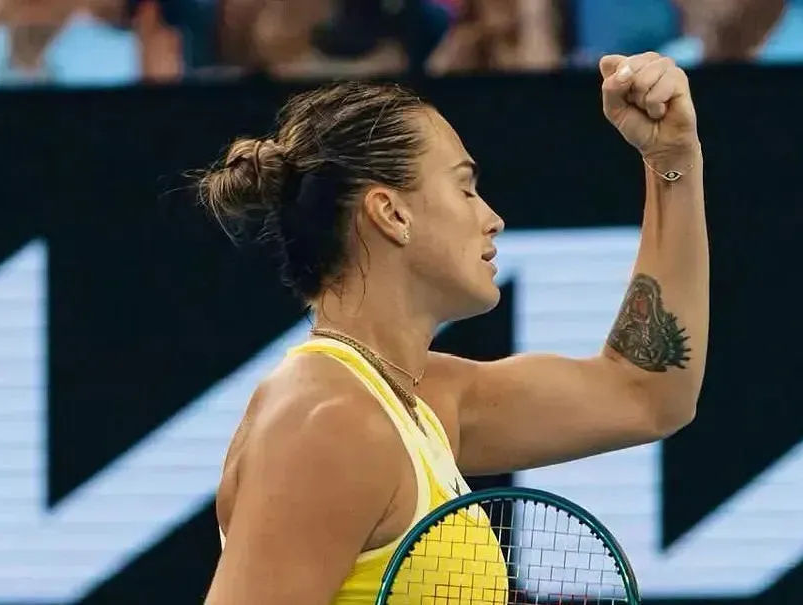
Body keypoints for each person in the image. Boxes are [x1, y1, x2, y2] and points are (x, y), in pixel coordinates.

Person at [200, 52, 708, 604]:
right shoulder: (330, 422)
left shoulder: (420, 398)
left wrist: (672, 160)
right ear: (391, 213)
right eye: (464, 188)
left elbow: (647, 393)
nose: (492, 218)